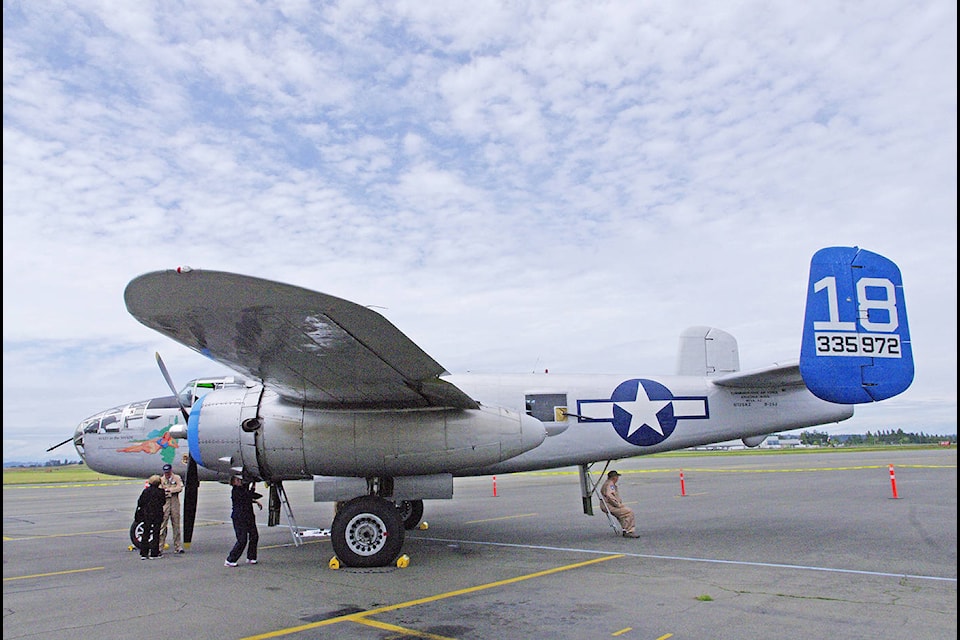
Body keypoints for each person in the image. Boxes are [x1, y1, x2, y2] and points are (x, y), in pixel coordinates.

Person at [225, 475, 263, 567]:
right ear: (233, 482)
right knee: (242, 540)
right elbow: (247, 496)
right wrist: (253, 488)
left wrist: (255, 500)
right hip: (239, 518)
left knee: (254, 536)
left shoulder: (242, 489)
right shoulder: (236, 491)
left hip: (249, 516)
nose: (240, 481)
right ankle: (230, 559)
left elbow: (248, 496)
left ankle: (251, 557)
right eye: (237, 480)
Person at [599, 470, 640, 538]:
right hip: (609, 505)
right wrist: (617, 505)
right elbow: (610, 496)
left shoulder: (608, 483)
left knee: (623, 513)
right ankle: (629, 531)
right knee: (628, 512)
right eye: (617, 477)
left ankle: (625, 529)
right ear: (614, 477)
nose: (618, 478)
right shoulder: (610, 484)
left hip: (606, 505)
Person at [136, 475, 166, 559]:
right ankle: (154, 553)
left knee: (146, 533)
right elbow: (163, 502)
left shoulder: (146, 491)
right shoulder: (161, 492)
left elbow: (140, 501)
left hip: (147, 514)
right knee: (156, 533)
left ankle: (144, 553)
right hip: (157, 514)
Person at [159, 463, 185, 554]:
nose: (167, 474)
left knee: (176, 525)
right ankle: (160, 547)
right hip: (165, 502)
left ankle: (178, 546)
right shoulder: (161, 479)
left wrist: (170, 490)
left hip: (174, 502)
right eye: (165, 472)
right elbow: (160, 489)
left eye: (168, 472)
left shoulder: (176, 478)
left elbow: (179, 488)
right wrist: (167, 491)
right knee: (162, 525)